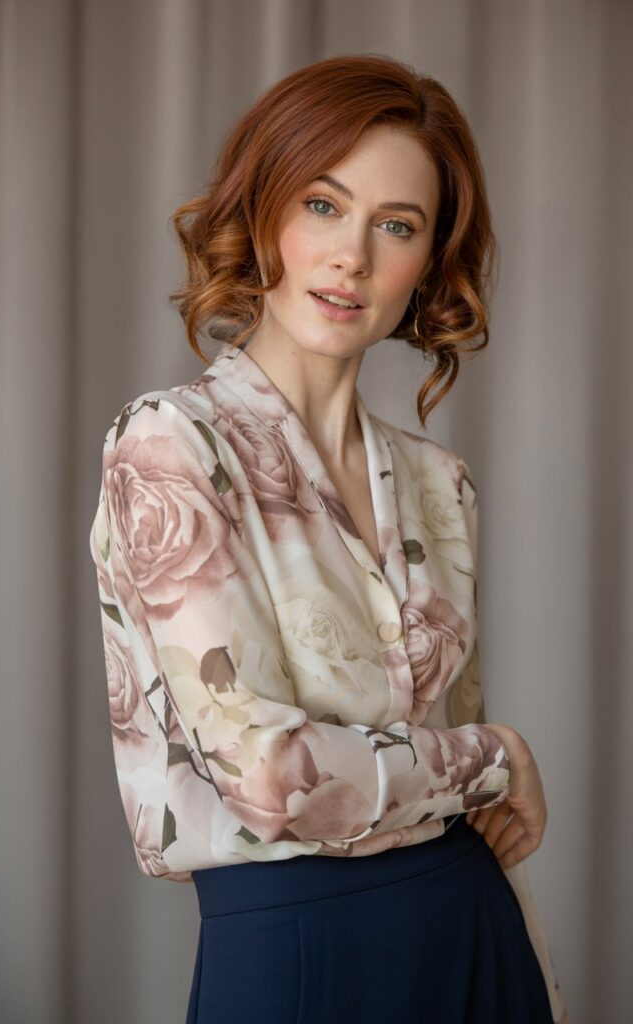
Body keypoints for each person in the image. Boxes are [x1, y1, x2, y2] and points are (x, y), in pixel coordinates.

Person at [89, 53, 569, 1024]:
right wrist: (496, 753)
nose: (352, 254)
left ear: (426, 263)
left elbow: (444, 796)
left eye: (395, 225)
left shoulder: (443, 486)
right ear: (265, 210)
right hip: (292, 946)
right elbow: (268, 778)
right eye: (322, 204)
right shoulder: (171, 444)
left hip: (473, 925)